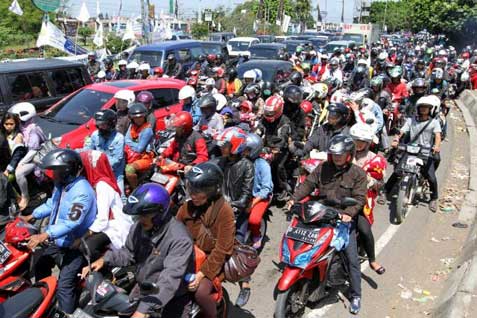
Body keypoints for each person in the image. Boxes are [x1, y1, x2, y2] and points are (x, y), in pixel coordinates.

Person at [83, 183, 194, 318]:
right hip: (143, 287)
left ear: (158, 213)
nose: (139, 220)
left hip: (171, 297)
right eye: (138, 215)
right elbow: (128, 253)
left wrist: (143, 310)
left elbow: (169, 280)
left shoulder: (179, 239)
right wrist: (104, 260)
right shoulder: (139, 227)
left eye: (143, 215)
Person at [286, 134, 367, 314]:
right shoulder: (323, 168)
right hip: (319, 213)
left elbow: (360, 199)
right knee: (301, 241)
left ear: (349, 154)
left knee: (352, 259)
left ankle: (355, 295)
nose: (337, 157)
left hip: (342, 218)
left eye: (341, 154)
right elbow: (307, 184)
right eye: (334, 154)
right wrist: (293, 200)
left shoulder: (358, 174)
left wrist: (348, 214)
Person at [21, 149, 97, 315]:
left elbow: (72, 222)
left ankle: (66, 313)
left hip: (75, 245)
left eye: (56, 170)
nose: (52, 173)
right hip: (59, 240)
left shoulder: (82, 192)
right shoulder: (61, 186)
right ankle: (44, 301)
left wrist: (45, 234)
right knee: (41, 265)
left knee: (64, 284)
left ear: (67, 170)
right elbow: (51, 205)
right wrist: (31, 216)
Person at [176, 162, 236, 318]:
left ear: (212, 191)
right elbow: (174, 232)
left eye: (200, 191)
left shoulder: (224, 211)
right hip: (187, 257)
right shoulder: (186, 207)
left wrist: (201, 275)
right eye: (192, 190)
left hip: (211, 262)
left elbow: (223, 249)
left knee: (201, 293)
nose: (194, 195)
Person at [214, 127, 254, 307]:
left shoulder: (247, 166)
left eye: (226, 145)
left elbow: (246, 195)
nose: (223, 148)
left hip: (237, 213)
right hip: (219, 210)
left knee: (237, 251)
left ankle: (245, 286)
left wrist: (234, 205)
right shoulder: (221, 162)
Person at [385, 95, 442, 211]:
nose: (423, 109)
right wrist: (396, 140)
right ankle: (385, 191)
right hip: (410, 149)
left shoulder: (434, 122)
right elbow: (401, 131)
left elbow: (437, 136)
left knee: (431, 177)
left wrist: (436, 146)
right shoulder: (411, 120)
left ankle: (433, 198)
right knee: (397, 171)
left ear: (431, 109)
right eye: (421, 107)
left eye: (426, 108)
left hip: (425, 151)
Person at [79, 150, 133, 260]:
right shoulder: (97, 184)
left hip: (115, 226)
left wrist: (85, 235)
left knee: (87, 246)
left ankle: (106, 266)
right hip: (108, 224)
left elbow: (102, 219)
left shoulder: (102, 186)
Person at [349, 123, 387, 275]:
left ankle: (372, 260)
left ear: (368, 143)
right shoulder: (342, 153)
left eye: (361, 141)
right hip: (338, 195)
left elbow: (380, 184)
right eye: (355, 141)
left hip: (360, 202)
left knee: (364, 229)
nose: (357, 144)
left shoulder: (376, 160)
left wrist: (371, 182)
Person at [8, 102, 46, 211]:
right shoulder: (21, 127)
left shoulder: (32, 129)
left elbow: (33, 151)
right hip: (28, 156)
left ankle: (25, 196)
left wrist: (21, 162)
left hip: (37, 158)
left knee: (19, 172)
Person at [257, 95, 292, 202]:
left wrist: (276, 149)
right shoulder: (264, 119)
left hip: (281, 149)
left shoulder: (284, 121)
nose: (268, 115)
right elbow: (259, 130)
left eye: (271, 113)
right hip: (266, 147)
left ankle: (284, 188)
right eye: (267, 113)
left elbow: (283, 138)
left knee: (279, 166)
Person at [84, 109, 125, 194]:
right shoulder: (95, 135)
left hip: (114, 174)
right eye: (99, 124)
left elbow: (116, 160)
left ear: (111, 124)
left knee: (120, 196)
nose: (100, 127)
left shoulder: (119, 138)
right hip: (96, 172)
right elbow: (87, 151)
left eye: (103, 124)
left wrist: (98, 167)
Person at [244, 133, 273, 249]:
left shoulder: (263, 165)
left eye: (246, 150)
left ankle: (257, 235)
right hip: (245, 195)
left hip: (261, 196)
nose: (243, 152)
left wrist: (253, 203)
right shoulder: (241, 162)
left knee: (254, 220)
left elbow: (266, 189)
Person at [125, 103, 154, 191]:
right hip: (132, 156)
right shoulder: (132, 126)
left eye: (140, 117)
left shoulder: (147, 130)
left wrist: (130, 143)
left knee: (129, 169)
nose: (138, 119)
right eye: (136, 117)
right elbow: (125, 139)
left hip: (145, 158)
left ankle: (136, 190)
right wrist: (131, 143)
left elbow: (139, 149)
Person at [1, 112, 26, 181]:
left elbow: (17, 155)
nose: (9, 126)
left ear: (16, 124)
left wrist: (8, 170)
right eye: (6, 124)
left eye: (11, 124)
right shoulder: (3, 134)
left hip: (14, 165)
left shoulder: (18, 136)